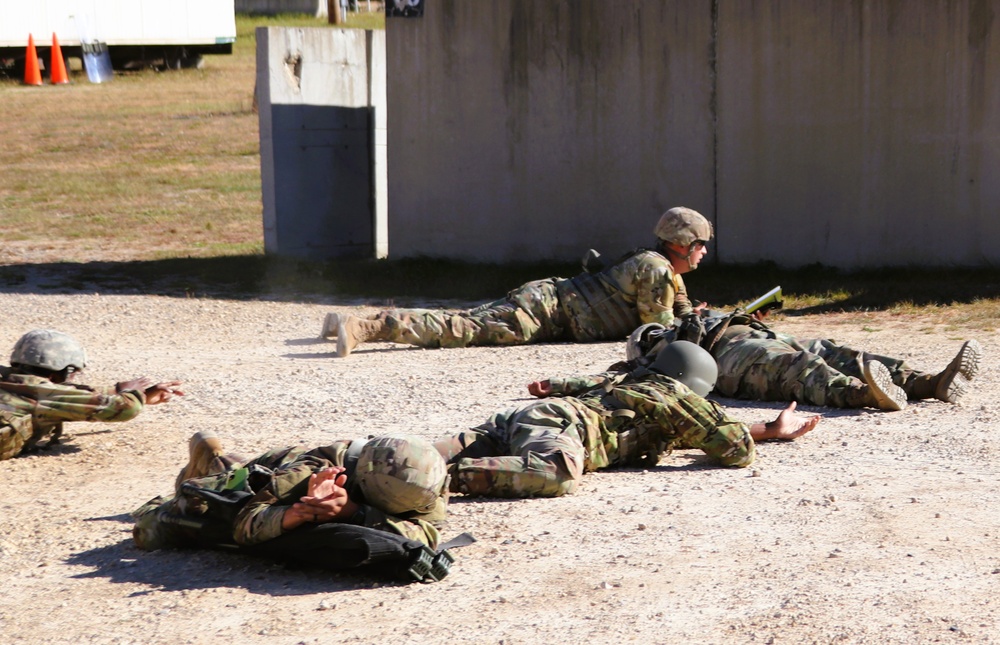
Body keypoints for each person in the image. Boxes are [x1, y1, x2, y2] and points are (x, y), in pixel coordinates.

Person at [432, 342, 820, 499]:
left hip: (527, 421)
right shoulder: (671, 395)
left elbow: (689, 435)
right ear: (696, 387)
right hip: (560, 428)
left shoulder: (637, 385)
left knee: (430, 452)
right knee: (558, 471)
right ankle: (434, 480)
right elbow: (734, 451)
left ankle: (382, 461)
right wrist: (756, 435)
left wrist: (771, 430)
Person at [325, 206, 713, 357]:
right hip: (547, 312)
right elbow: (657, 329)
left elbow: (676, 305)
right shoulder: (657, 269)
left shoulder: (660, 267)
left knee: (464, 319)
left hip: (548, 302)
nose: (703, 252)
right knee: (461, 329)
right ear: (681, 244)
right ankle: (367, 327)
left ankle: (348, 322)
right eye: (699, 245)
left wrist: (690, 313)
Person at [132, 433, 462, 582]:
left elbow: (426, 533)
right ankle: (205, 462)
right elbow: (246, 525)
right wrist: (297, 513)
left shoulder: (422, 472)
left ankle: (215, 456)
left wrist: (351, 513)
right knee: (170, 516)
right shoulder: (305, 472)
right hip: (272, 474)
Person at [626, 315, 982, 412]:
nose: (658, 332)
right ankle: (865, 395)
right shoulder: (654, 355)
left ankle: (929, 382)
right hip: (730, 358)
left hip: (759, 336)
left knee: (841, 354)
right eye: (650, 335)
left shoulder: (683, 322)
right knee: (800, 367)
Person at [0, 329, 183, 461]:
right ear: (60, 372)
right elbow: (127, 408)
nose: (71, 378)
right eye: (72, 373)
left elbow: (66, 392)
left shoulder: (11, 380)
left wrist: (118, 390)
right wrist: (134, 394)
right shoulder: (43, 395)